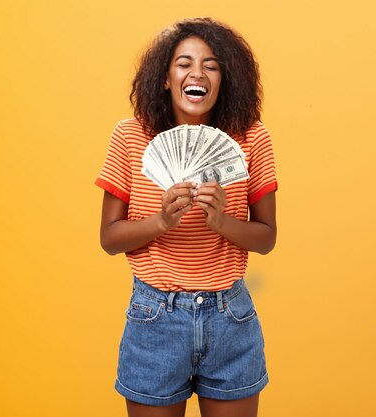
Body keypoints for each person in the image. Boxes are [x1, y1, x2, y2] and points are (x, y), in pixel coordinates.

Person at [96, 17, 278, 417]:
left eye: (211, 65)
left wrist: (223, 221)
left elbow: (266, 238)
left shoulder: (251, 138)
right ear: (165, 78)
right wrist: (161, 221)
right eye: (184, 63)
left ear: (224, 79)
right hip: (155, 317)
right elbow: (109, 239)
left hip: (230, 317)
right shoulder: (129, 137)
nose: (198, 73)